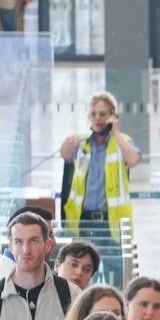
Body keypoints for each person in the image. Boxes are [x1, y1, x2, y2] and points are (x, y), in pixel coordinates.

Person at [57, 92, 141, 239]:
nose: (97, 118)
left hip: (112, 224)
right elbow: (65, 154)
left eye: (103, 114)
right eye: (93, 113)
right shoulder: (82, 143)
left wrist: (115, 132)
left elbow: (133, 160)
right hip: (82, 222)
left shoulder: (122, 142)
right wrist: (67, 141)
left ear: (112, 116)